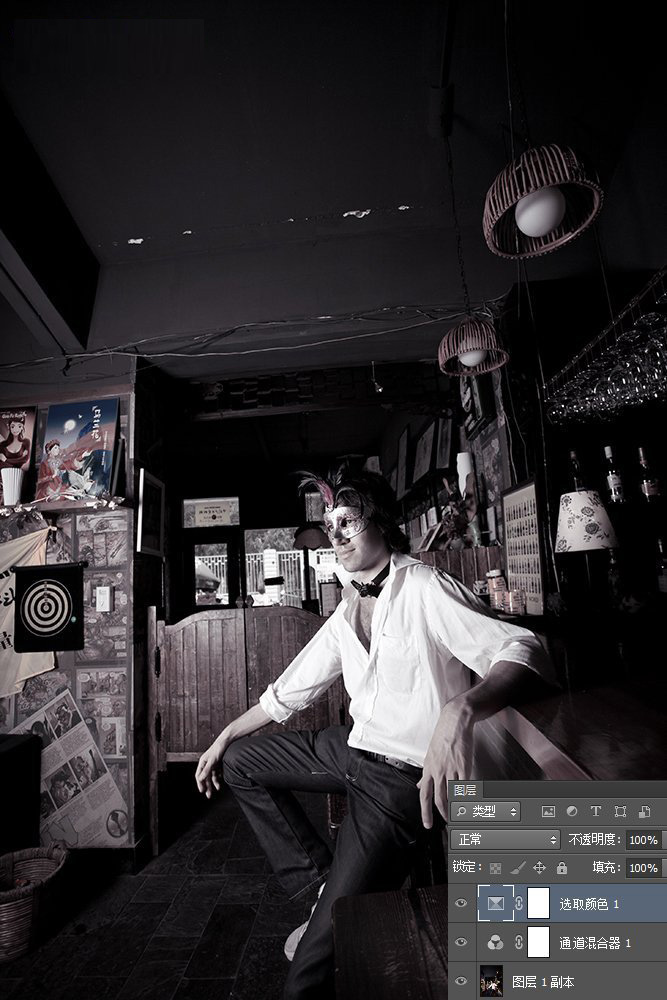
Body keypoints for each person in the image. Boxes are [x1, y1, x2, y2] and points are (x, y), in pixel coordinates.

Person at [195, 463, 555, 1000]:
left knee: (307, 976)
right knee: (240, 762)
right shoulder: (348, 606)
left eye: (349, 522)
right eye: (330, 524)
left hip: (398, 781)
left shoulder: (424, 586)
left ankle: (333, 913)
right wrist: (225, 735)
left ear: (382, 522)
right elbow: (288, 690)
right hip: (353, 749)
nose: (336, 535)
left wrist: (460, 710)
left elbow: (523, 647)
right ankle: (321, 885)